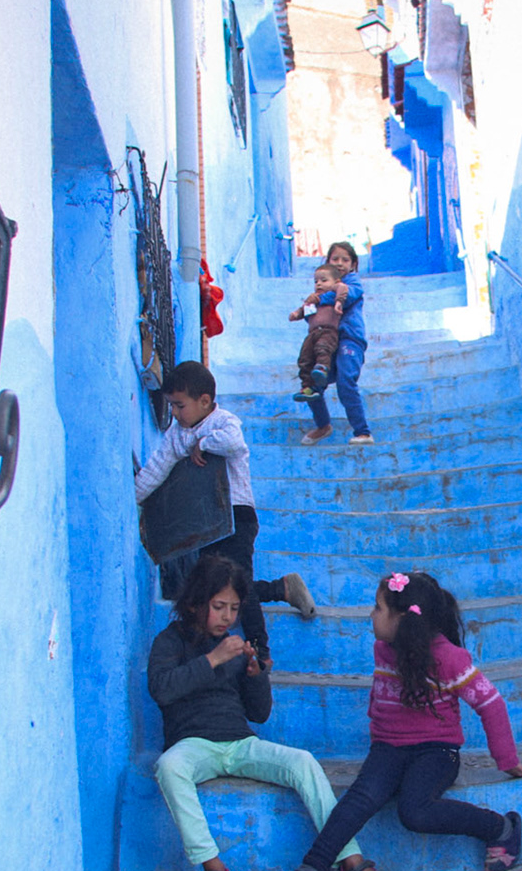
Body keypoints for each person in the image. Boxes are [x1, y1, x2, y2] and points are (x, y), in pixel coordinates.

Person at [147, 556, 395, 871]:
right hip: (193, 745)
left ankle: (351, 863)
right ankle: (213, 870)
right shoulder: (170, 642)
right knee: (169, 767)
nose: (228, 617)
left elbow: (259, 714)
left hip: (240, 742)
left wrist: (255, 675)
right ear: (194, 603)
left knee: (303, 762)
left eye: (234, 609)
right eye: (219, 607)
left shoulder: (234, 646)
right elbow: (162, 688)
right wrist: (214, 659)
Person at [278, 571, 522, 871]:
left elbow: (490, 703)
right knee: (360, 798)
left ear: (403, 618)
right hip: (387, 749)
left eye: (378, 608)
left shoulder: (447, 657)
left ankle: (500, 828)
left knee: (415, 811)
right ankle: (311, 869)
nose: (371, 614)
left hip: (437, 752)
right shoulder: (383, 649)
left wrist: (507, 760)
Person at [135, 360, 316, 662]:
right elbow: (157, 468)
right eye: (171, 407)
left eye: (180, 406)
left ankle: (260, 650)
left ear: (204, 401)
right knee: (217, 588)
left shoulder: (223, 422)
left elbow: (232, 442)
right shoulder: (176, 435)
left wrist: (203, 443)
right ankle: (280, 589)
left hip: (236, 518)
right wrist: (136, 497)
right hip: (204, 526)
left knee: (237, 584)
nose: (175, 414)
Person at [300, 241, 374, 446]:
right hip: (326, 343)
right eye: (335, 259)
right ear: (328, 262)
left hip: (349, 339)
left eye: (345, 260)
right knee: (313, 384)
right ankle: (323, 425)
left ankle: (363, 432)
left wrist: (317, 299)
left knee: (345, 381)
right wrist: (307, 308)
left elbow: (346, 296)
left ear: (353, 264)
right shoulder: (321, 288)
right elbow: (311, 316)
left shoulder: (352, 282)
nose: (340, 263)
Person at [289, 264, 346, 402]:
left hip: (328, 331)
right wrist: (296, 314)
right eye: (316, 282)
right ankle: (307, 387)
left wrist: (339, 301)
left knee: (323, 349)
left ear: (335, 282)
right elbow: (304, 310)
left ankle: (322, 369)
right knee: (304, 358)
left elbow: (342, 288)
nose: (319, 284)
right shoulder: (313, 300)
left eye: (324, 280)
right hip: (312, 334)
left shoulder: (333, 295)